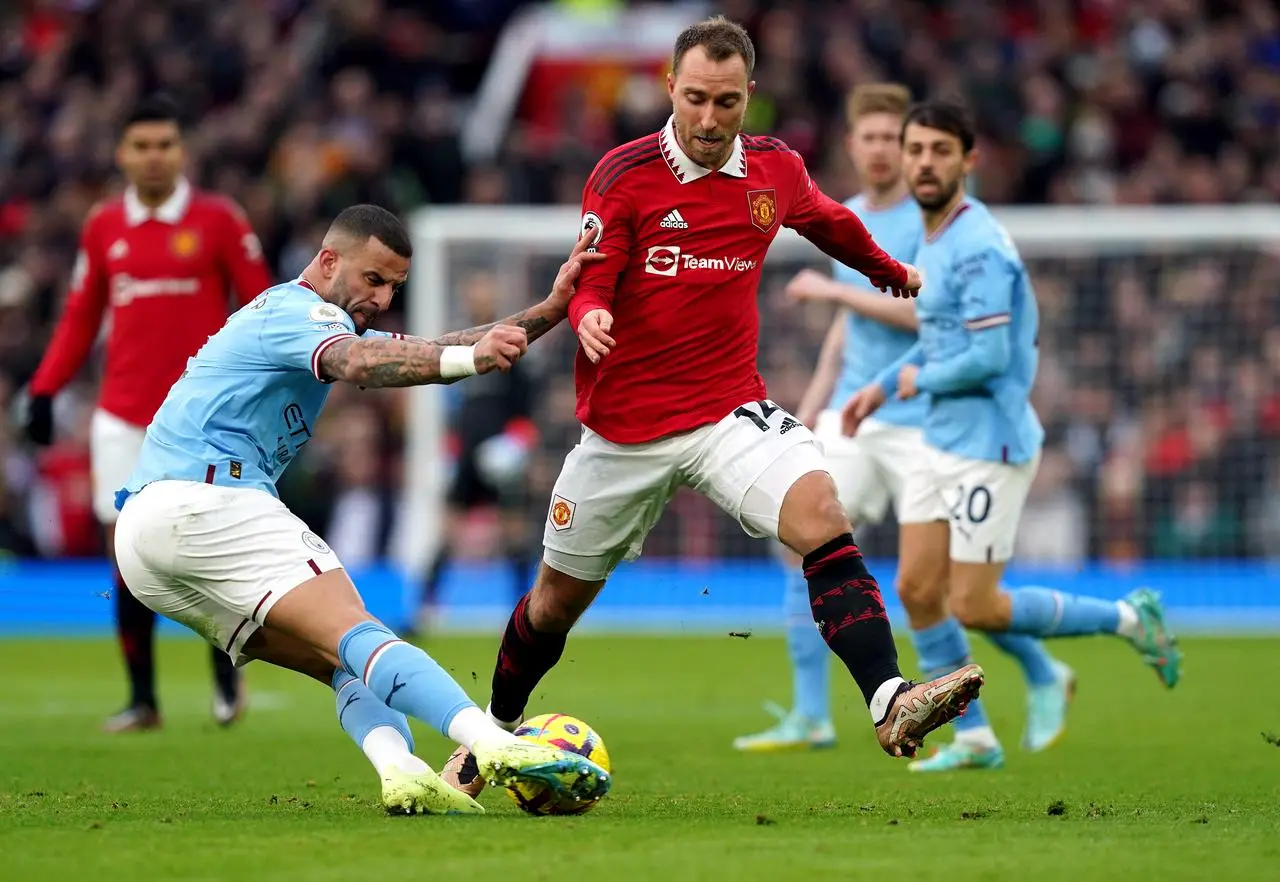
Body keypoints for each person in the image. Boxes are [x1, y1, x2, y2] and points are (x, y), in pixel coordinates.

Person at [440, 17, 986, 799]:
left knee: (821, 510)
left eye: (725, 103)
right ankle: (488, 734)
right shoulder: (623, 174)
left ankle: (889, 700)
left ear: (748, 99)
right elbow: (594, 271)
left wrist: (887, 268)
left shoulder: (773, 169)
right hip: (624, 433)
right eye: (694, 98)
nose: (707, 118)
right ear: (670, 88)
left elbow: (828, 219)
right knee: (554, 605)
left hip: (729, 411)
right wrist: (592, 311)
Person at [112, 205, 611, 815]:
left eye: (395, 286)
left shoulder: (316, 319)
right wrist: (471, 361)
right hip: (208, 499)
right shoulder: (296, 312)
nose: (382, 296)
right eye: (373, 279)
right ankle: (494, 744)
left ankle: (399, 770)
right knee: (361, 633)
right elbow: (356, 364)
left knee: (337, 660)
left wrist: (551, 310)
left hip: (144, 542)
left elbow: (430, 348)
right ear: (328, 261)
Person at [841, 98, 1182, 772]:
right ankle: (974, 738)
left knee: (978, 605)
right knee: (915, 589)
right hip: (941, 440)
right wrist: (882, 385)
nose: (924, 163)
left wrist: (918, 382)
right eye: (916, 150)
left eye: (940, 151)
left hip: (989, 446)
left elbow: (989, 358)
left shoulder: (979, 245)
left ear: (969, 160)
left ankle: (1129, 619)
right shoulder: (931, 238)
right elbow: (939, 337)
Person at [734, 85, 1072, 762]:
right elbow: (847, 324)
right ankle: (810, 713)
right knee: (800, 538)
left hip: (929, 417)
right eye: (876, 138)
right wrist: (820, 397)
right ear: (854, 146)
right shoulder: (846, 218)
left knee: (942, 589)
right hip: (860, 413)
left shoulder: (936, 220)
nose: (889, 151)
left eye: (901, 140)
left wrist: (837, 292)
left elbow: (929, 315)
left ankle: (1030, 676)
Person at [24, 94, 272, 732]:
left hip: (204, 416)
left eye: (165, 144)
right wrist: (46, 389)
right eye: (142, 145)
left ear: (181, 151)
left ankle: (224, 669)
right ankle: (143, 699)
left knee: (204, 542)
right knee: (127, 555)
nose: (154, 156)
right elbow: (81, 315)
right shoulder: (104, 226)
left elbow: (262, 307)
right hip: (124, 416)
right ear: (122, 154)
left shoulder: (218, 220)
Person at [413, 270, 539, 636]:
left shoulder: (515, 346)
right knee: (447, 533)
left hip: (502, 456)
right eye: (473, 291)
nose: (478, 298)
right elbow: (453, 411)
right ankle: (425, 608)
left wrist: (516, 444)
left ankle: (524, 614)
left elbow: (528, 409)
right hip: (466, 455)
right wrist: (449, 453)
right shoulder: (457, 350)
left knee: (514, 533)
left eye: (485, 291)